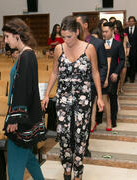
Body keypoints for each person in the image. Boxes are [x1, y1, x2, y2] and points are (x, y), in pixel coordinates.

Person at [42, 16, 104, 180]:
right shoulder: (59, 49)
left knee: (80, 136)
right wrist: (47, 94)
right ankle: (67, 168)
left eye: (69, 36)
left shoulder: (89, 48)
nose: (66, 40)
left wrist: (99, 97)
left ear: (77, 32)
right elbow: (55, 72)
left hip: (83, 99)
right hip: (63, 99)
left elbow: (95, 73)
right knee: (63, 135)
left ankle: (78, 171)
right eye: (63, 36)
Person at [2, 18, 46, 180]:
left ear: (17, 35)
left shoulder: (26, 56)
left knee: (14, 167)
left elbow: (23, 90)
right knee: (28, 158)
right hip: (24, 115)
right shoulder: (27, 55)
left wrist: (15, 118)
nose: (6, 41)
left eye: (7, 36)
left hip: (20, 119)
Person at [76, 15, 107, 157]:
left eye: (77, 24)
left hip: (90, 88)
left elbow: (102, 67)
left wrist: (96, 85)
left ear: (86, 25)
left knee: (86, 118)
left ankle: (84, 145)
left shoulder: (97, 43)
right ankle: (73, 144)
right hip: (73, 87)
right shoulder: (73, 42)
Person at [101, 22, 125, 128]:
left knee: (112, 97)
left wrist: (116, 72)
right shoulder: (100, 44)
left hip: (113, 76)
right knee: (101, 97)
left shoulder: (118, 44)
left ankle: (113, 119)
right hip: (102, 75)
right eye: (103, 31)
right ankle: (98, 118)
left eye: (106, 31)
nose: (104, 34)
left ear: (112, 31)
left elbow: (122, 60)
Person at [124, 16, 137, 83]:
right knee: (126, 64)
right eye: (130, 21)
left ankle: (132, 78)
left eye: (132, 21)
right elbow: (125, 40)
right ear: (128, 22)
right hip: (127, 50)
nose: (131, 22)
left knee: (133, 64)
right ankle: (125, 78)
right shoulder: (125, 30)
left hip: (135, 49)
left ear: (134, 22)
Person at [113, 20, 130, 93]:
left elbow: (128, 45)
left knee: (123, 73)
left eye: (117, 27)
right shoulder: (111, 35)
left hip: (123, 57)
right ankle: (116, 88)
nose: (115, 29)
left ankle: (121, 87)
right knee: (116, 73)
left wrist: (127, 53)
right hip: (114, 57)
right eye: (114, 27)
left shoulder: (124, 35)